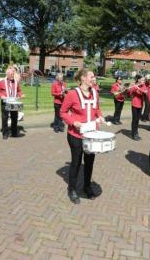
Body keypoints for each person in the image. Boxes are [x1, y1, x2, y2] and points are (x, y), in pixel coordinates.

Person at [60, 69, 105, 204]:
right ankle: (72, 189)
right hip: (76, 135)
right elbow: (63, 112)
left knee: (89, 162)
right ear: (83, 78)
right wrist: (74, 122)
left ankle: (87, 186)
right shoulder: (72, 94)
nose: (94, 78)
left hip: (91, 135)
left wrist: (100, 116)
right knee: (76, 163)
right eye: (91, 76)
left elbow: (97, 109)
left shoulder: (95, 92)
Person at [0, 66, 23, 139]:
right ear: (7, 74)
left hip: (14, 102)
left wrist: (20, 95)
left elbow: (19, 90)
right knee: (5, 118)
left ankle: (14, 132)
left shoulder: (16, 82)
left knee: (14, 118)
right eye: (11, 75)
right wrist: (1, 96)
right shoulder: (2, 82)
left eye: (13, 74)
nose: (12, 76)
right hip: (5, 102)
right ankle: (5, 133)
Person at [128, 75, 148, 141]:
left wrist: (138, 88)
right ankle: (134, 134)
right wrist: (133, 87)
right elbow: (130, 94)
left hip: (141, 105)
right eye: (142, 80)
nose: (143, 81)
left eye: (144, 80)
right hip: (134, 104)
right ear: (138, 80)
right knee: (135, 119)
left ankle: (136, 132)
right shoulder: (134, 86)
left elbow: (145, 92)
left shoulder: (143, 86)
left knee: (137, 120)